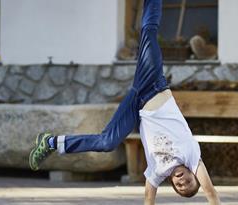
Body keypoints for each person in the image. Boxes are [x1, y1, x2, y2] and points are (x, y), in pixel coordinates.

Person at [28, 0, 221, 204]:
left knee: (107, 142)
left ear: (172, 183)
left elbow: (148, 199)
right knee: (149, 31)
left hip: (137, 105)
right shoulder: (191, 155)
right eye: (189, 182)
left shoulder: (157, 171)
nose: (183, 182)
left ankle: (50, 142)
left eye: (180, 187)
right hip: (154, 84)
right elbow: (211, 194)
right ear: (193, 173)